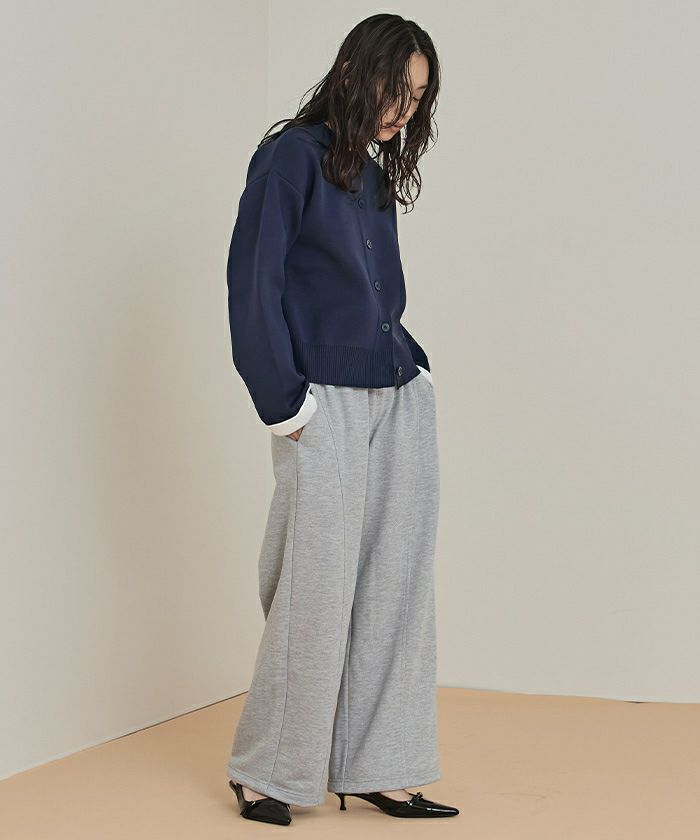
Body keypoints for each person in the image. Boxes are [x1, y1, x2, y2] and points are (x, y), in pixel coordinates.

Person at [224, 13, 459, 826]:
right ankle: (269, 771)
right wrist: (283, 404)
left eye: (417, 97)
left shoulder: (373, 174)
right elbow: (253, 283)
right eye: (397, 88)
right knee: (314, 589)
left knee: (398, 586)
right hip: (321, 399)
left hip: (397, 393)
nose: (404, 108)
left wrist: (415, 368)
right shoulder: (290, 157)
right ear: (356, 71)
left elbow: (377, 293)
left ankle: (381, 765)